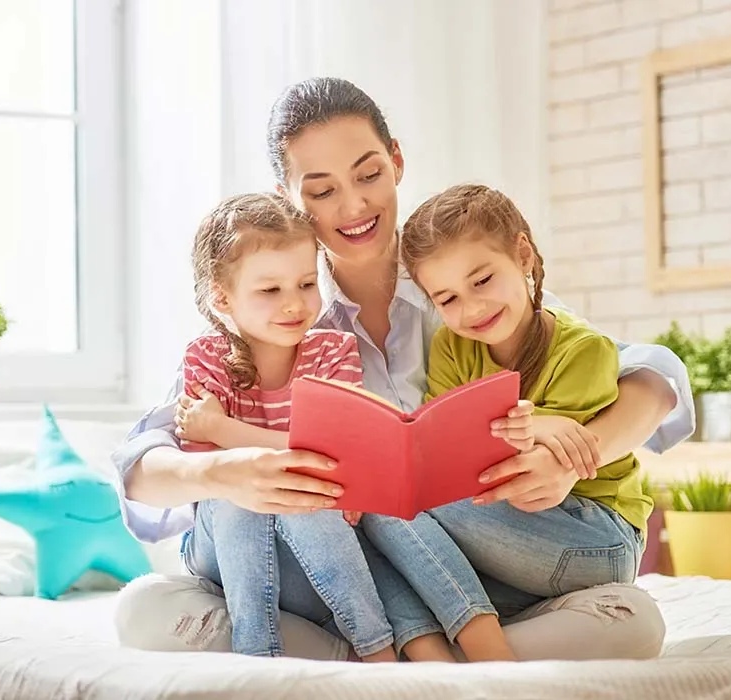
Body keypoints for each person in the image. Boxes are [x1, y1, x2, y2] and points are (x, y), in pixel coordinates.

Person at [112, 77, 693, 661]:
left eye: (368, 175)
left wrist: (574, 452)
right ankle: (410, 653)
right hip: (344, 572)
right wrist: (227, 471)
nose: (353, 206)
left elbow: (651, 380)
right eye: (322, 191)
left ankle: (390, 653)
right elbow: (145, 461)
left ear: (396, 162)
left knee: (630, 621)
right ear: (289, 198)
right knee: (148, 610)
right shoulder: (273, 312)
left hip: (475, 561)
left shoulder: (461, 284)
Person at [358, 183, 654, 662]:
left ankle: (487, 658)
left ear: (522, 254)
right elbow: (445, 447)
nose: (471, 309)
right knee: (381, 532)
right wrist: (532, 426)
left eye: (482, 281)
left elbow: (543, 472)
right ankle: (428, 654)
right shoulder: (452, 348)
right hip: (508, 539)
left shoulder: (582, 349)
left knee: (392, 500)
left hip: (595, 537)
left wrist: (534, 429)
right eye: (448, 299)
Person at [173, 192, 397, 660]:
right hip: (223, 541)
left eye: (306, 283)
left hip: (314, 535)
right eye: (270, 290)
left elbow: (339, 459)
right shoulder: (205, 358)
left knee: (303, 497)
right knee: (242, 492)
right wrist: (286, 455)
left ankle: (379, 655)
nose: (295, 304)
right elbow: (210, 469)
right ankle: (258, 662)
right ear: (222, 296)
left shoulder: (334, 352)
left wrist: (228, 430)